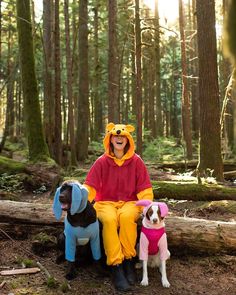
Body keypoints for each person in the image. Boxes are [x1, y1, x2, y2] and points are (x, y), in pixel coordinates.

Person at [84, 123, 154, 292]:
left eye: (122, 137)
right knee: (109, 220)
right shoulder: (101, 162)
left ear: (128, 140)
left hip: (130, 203)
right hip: (105, 203)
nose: (119, 139)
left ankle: (129, 262)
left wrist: (148, 206)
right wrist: (81, 201)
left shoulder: (137, 161)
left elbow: (144, 188)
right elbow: (90, 186)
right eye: (116, 136)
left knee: (126, 218)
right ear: (110, 139)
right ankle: (116, 267)